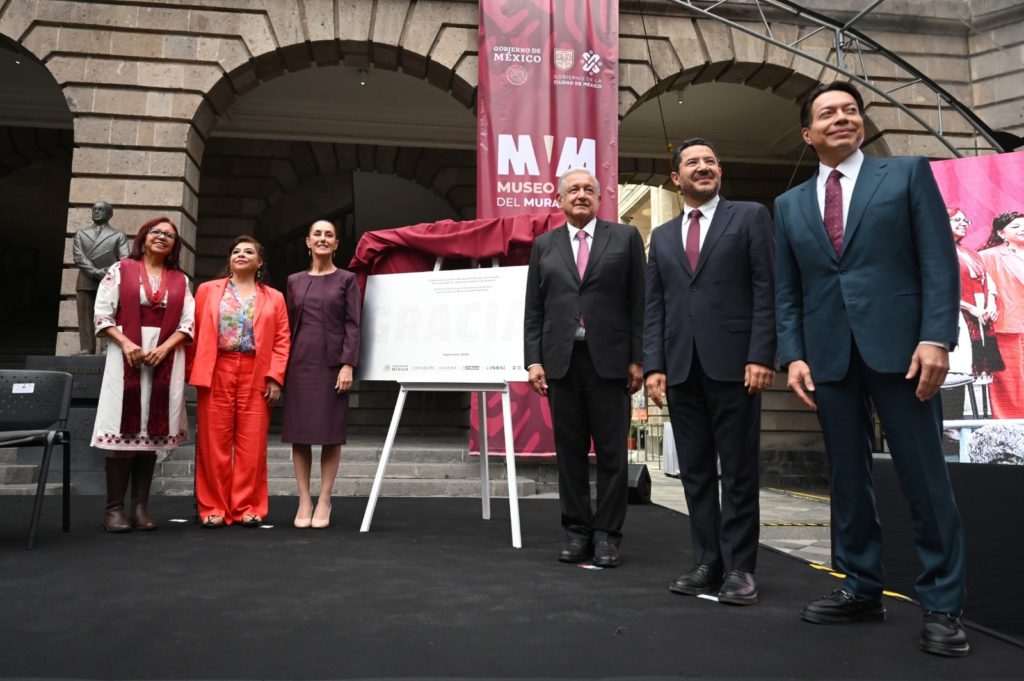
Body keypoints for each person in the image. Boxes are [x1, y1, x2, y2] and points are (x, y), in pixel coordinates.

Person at [774, 81, 968, 656]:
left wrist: (937, 336)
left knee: (924, 478)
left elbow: (939, 261)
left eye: (850, 110)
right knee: (846, 479)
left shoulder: (906, 174)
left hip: (905, 352)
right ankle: (860, 588)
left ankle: (943, 605)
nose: (842, 118)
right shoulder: (787, 205)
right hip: (829, 357)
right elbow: (790, 290)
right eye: (827, 113)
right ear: (808, 134)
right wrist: (794, 354)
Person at [643, 138, 775, 605]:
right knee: (695, 473)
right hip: (681, 370)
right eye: (693, 163)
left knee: (738, 472)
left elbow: (766, 289)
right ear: (676, 178)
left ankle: (741, 568)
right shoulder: (660, 237)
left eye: (711, 161)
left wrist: (762, 355)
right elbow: (655, 306)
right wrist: (654, 366)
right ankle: (707, 561)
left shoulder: (750, 217)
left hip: (737, 367)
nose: (704, 167)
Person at [523, 167, 645, 567]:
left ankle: (608, 535)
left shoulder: (625, 238)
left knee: (612, 454)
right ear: (559, 200)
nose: (580, 195)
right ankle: (576, 532)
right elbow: (534, 308)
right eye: (572, 190)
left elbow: (639, 303)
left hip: (610, 363)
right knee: (570, 454)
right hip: (562, 363)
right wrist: (534, 359)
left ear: (599, 198)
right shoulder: (544, 246)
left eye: (587, 190)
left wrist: (638, 358)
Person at [91, 217, 193, 532]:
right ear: (143, 236)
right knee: (124, 428)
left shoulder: (181, 279)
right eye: (156, 232)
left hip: (165, 356)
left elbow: (189, 323)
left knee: (150, 432)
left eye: (170, 236)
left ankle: (140, 507)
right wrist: (125, 343)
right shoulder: (120, 270)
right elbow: (102, 314)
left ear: (175, 245)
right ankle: (114, 509)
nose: (162, 238)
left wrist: (164, 349)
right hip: (126, 356)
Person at [187, 236, 290, 527]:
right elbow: (192, 331)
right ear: (229, 259)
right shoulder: (207, 291)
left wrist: (275, 377)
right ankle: (214, 508)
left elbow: (283, 340)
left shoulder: (274, 297)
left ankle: (247, 506)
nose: (241, 255)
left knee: (252, 444)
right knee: (213, 442)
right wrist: (194, 370)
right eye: (236, 251)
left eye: (249, 252)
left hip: (256, 370)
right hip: (217, 367)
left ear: (260, 263)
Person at [283, 220, 361, 529]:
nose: (323, 239)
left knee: (331, 436)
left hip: (332, 366)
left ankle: (325, 498)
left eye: (329, 234)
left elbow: (354, 324)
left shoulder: (347, 280)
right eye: (317, 234)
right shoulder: (294, 281)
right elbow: (285, 325)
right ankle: (304, 498)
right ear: (307, 241)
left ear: (337, 243)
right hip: (300, 363)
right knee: (299, 436)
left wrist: (348, 364)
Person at [948, 207, 1002, 380]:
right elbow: (938, 288)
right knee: (961, 366)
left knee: (980, 365)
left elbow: (988, 280)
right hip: (956, 312)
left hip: (980, 309)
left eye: (966, 220)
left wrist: (991, 305)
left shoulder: (969, 251)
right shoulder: (937, 251)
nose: (963, 223)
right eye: (957, 220)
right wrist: (970, 308)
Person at [979, 211, 1024, 418]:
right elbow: (978, 286)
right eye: (1015, 226)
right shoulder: (988, 256)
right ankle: (1009, 426)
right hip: (1007, 324)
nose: (1022, 229)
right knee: (1009, 381)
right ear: (1001, 232)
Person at [73, 201, 131, 354]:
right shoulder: (81, 233)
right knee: (84, 315)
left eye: (101, 209)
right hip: (86, 279)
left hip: (109, 280)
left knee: (108, 313)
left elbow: (124, 259)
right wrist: (95, 272)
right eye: (94, 209)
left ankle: (106, 346)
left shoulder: (118, 235)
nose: (96, 212)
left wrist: (106, 272)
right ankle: (86, 347)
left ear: (109, 214)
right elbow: (79, 257)